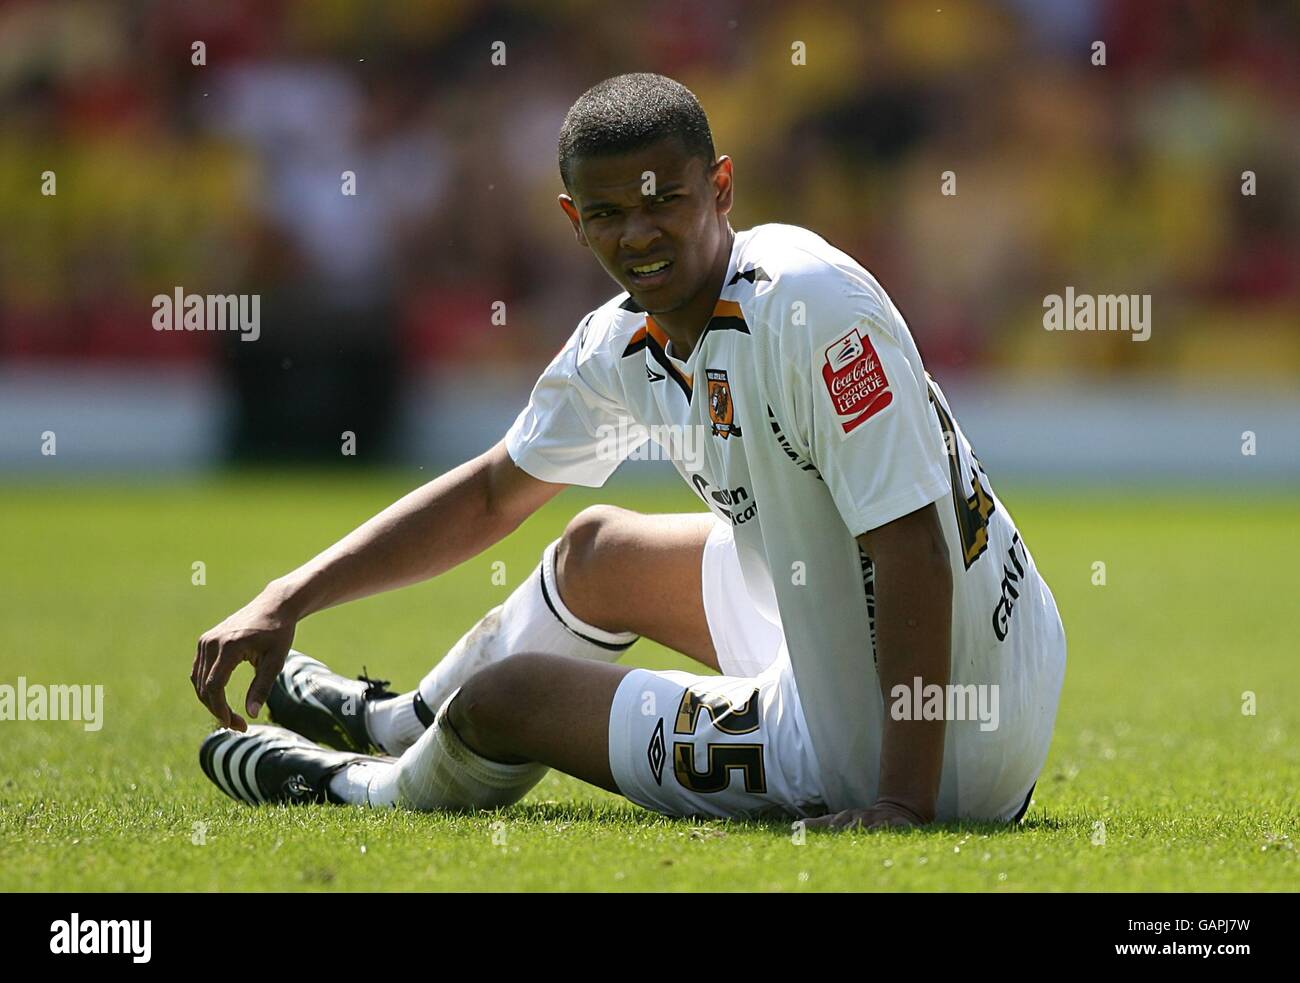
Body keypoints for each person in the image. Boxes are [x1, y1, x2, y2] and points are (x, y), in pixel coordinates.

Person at [192, 73, 1066, 830]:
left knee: (507, 704)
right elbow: (494, 494)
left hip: (931, 743)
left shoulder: (809, 309)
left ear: (721, 187)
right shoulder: (620, 345)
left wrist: (902, 805)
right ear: (575, 220)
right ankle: (395, 721)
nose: (639, 234)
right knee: (594, 550)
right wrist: (287, 595)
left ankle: (360, 786)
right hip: (863, 634)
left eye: (664, 202)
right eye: (609, 213)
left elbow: (912, 540)